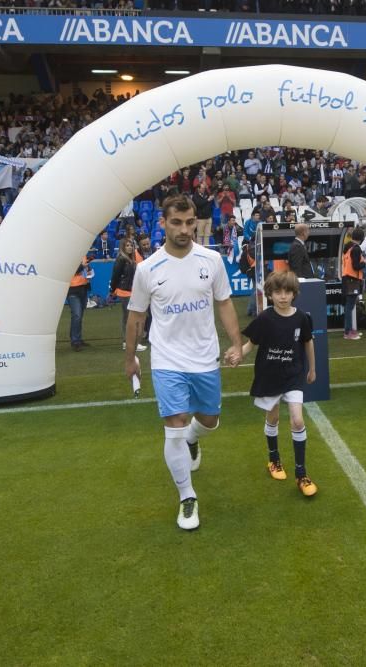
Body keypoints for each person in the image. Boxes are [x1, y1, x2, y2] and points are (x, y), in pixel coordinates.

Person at [124, 194, 244, 531]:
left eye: (190, 222)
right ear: (162, 223)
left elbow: (224, 304)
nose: (184, 229)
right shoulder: (147, 269)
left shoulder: (212, 260)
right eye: (176, 222)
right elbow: (136, 316)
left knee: (210, 419)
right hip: (167, 359)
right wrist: (130, 357)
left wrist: (236, 343)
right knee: (173, 424)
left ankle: (194, 438)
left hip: (204, 357)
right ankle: (186, 496)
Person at [239, 271, 318, 497]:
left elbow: (308, 343)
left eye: (287, 292)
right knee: (272, 417)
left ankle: (301, 474)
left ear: (294, 294)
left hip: (293, 375)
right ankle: (274, 460)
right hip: (269, 375)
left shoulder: (302, 318)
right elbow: (250, 344)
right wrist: (238, 355)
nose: (283, 296)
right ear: (270, 295)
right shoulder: (265, 318)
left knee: (297, 418)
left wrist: (312, 368)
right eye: (277, 292)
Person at [110, 237, 147, 352]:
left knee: (131, 317)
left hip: (131, 291)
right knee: (128, 318)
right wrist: (113, 290)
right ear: (122, 247)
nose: (130, 247)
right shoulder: (121, 259)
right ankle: (128, 342)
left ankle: (131, 342)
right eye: (127, 245)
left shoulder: (131, 259)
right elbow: (115, 276)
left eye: (131, 245)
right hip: (124, 292)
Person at [341, 227, 366, 340]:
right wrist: (364, 263)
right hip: (352, 279)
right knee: (349, 306)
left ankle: (349, 330)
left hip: (347, 278)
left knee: (349, 305)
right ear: (362, 238)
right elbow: (356, 266)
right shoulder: (356, 249)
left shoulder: (348, 246)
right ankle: (348, 332)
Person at [67, 254, 93, 351]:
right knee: (77, 315)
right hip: (72, 290)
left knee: (78, 315)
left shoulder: (83, 255)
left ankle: (77, 338)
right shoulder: (69, 256)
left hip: (83, 288)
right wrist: (83, 266)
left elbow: (86, 269)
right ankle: (75, 341)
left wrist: (89, 269)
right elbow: (71, 271)